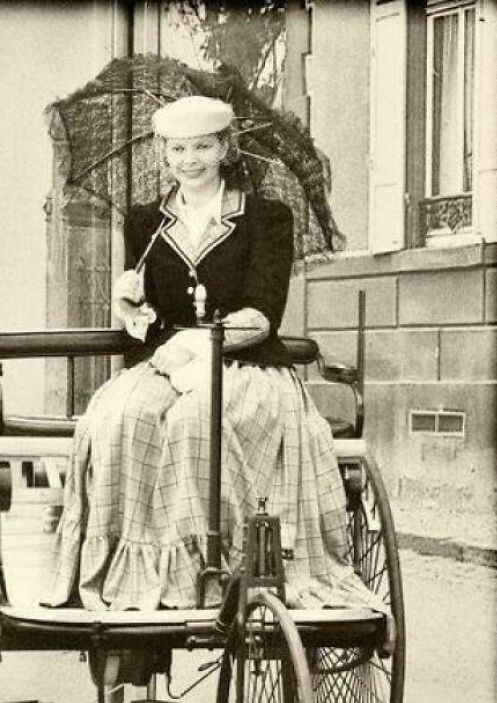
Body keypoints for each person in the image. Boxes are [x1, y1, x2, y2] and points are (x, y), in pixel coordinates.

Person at [40, 95, 380, 615]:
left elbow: (265, 311)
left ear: (226, 147)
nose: (189, 160)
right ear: (163, 153)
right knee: (120, 416)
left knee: (197, 423)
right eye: (178, 149)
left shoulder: (266, 218)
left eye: (202, 146)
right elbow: (147, 327)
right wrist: (133, 308)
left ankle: (211, 571)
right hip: (168, 362)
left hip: (244, 363)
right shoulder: (144, 222)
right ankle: (131, 576)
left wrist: (201, 341)